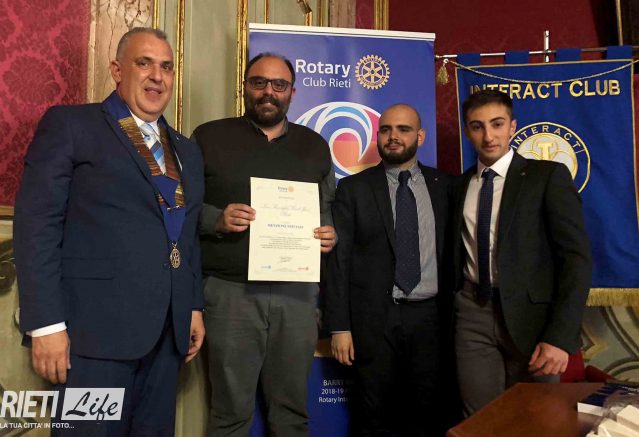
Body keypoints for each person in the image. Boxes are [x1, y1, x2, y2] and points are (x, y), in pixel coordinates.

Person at [14, 27, 205, 434]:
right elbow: (37, 226)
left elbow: (186, 237)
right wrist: (45, 324)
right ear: (117, 70)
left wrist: (192, 307)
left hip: (166, 340)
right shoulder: (71, 125)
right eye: (144, 63)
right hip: (92, 341)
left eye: (166, 67)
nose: (157, 76)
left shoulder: (186, 150)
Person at [191, 52, 336, 437]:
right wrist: (217, 219)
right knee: (229, 413)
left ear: (292, 92)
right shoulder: (209, 137)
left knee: (292, 414)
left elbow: (327, 208)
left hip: (297, 295)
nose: (268, 92)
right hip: (230, 294)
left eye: (279, 85)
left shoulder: (315, 145)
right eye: (259, 82)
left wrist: (328, 232)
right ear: (245, 87)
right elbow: (183, 208)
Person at [453, 89, 592, 415]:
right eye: (477, 126)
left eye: (497, 124)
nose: (488, 136)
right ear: (467, 131)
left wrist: (560, 337)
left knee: (535, 420)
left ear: (512, 126)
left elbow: (576, 259)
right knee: (480, 422)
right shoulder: (458, 186)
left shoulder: (547, 177)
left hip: (533, 321)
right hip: (472, 312)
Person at [324, 104, 453, 436]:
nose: (393, 136)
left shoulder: (446, 187)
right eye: (386, 130)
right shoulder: (354, 189)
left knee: (426, 417)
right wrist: (339, 327)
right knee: (372, 418)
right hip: (374, 320)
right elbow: (339, 262)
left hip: (431, 320)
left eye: (403, 129)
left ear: (420, 136)